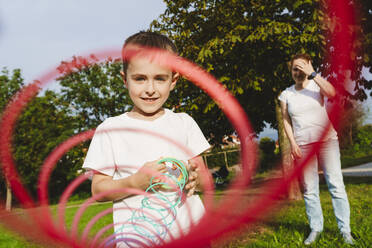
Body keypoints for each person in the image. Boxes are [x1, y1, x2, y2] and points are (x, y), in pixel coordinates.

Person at [82, 31, 210, 247]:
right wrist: (134, 182)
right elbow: (98, 189)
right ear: (125, 79)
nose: (150, 89)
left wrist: (195, 180)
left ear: (173, 80)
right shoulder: (111, 129)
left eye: (160, 79)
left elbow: (204, 178)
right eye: (140, 79)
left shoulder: (184, 122)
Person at [279, 53, 353, 245]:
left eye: (302, 66)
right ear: (291, 71)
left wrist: (313, 74)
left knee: (336, 185)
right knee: (310, 189)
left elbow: (332, 93)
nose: (298, 71)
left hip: (327, 141)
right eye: (295, 68)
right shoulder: (286, 94)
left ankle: (345, 231)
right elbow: (286, 121)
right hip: (302, 145)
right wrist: (293, 143)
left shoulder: (316, 85)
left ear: (309, 66)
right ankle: (316, 229)